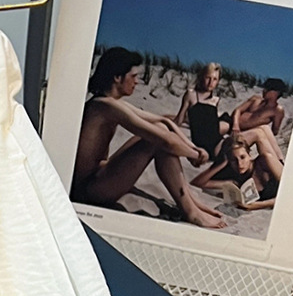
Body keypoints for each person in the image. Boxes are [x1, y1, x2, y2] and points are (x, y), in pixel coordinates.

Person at [72, 47, 227, 230]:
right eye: (133, 76)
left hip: (99, 174)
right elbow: (166, 141)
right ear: (117, 77)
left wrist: (193, 147)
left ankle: (191, 202)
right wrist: (195, 155)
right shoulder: (105, 107)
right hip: (88, 190)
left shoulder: (108, 102)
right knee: (156, 141)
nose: (137, 81)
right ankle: (190, 211)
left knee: (159, 129)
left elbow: (164, 121)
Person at [195, 132, 283, 209]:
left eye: (242, 157)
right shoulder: (236, 181)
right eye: (234, 160)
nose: (240, 164)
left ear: (249, 155)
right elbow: (198, 183)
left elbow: (288, 192)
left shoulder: (265, 160)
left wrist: (257, 205)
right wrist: (221, 164)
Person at [176, 61, 229, 159]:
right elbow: (179, 120)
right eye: (208, 78)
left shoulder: (216, 100)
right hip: (200, 147)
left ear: (218, 82)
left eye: (215, 79)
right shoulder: (191, 95)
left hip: (217, 144)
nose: (211, 82)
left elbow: (210, 124)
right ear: (202, 77)